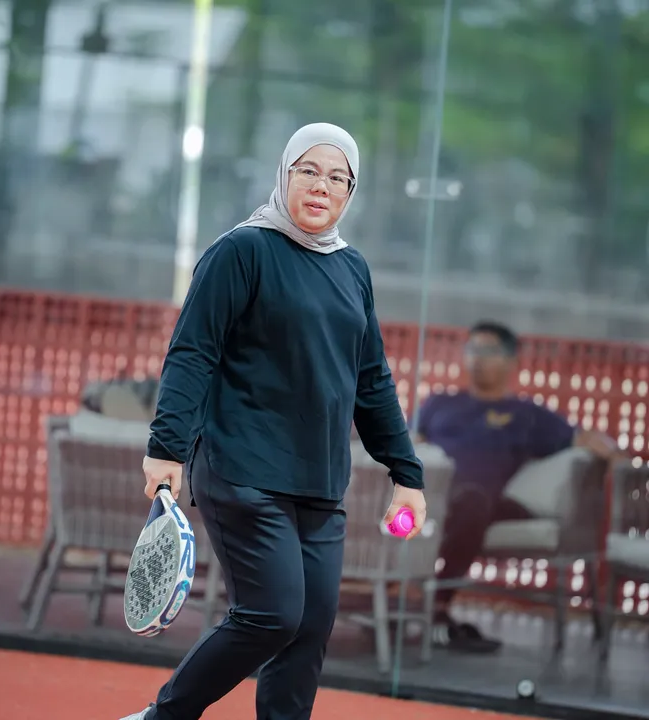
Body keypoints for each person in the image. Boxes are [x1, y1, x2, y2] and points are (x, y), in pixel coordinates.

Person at [121, 123, 426, 720]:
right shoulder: (241, 251)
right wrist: (167, 447)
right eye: (308, 171)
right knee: (273, 615)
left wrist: (405, 472)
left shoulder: (352, 268)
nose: (321, 186)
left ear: (350, 192)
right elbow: (193, 353)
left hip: (320, 481)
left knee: (308, 630)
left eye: (337, 178)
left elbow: (371, 379)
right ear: (285, 174)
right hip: (242, 468)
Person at [413, 320, 622, 653]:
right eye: (473, 349)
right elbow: (410, 442)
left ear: (511, 360)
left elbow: (587, 440)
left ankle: (435, 607)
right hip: (432, 494)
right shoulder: (439, 404)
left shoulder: (527, 415)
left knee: (472, 500)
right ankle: (400, 601)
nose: (478, 358)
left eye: (489, 350)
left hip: (484, 501)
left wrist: (615, 457)